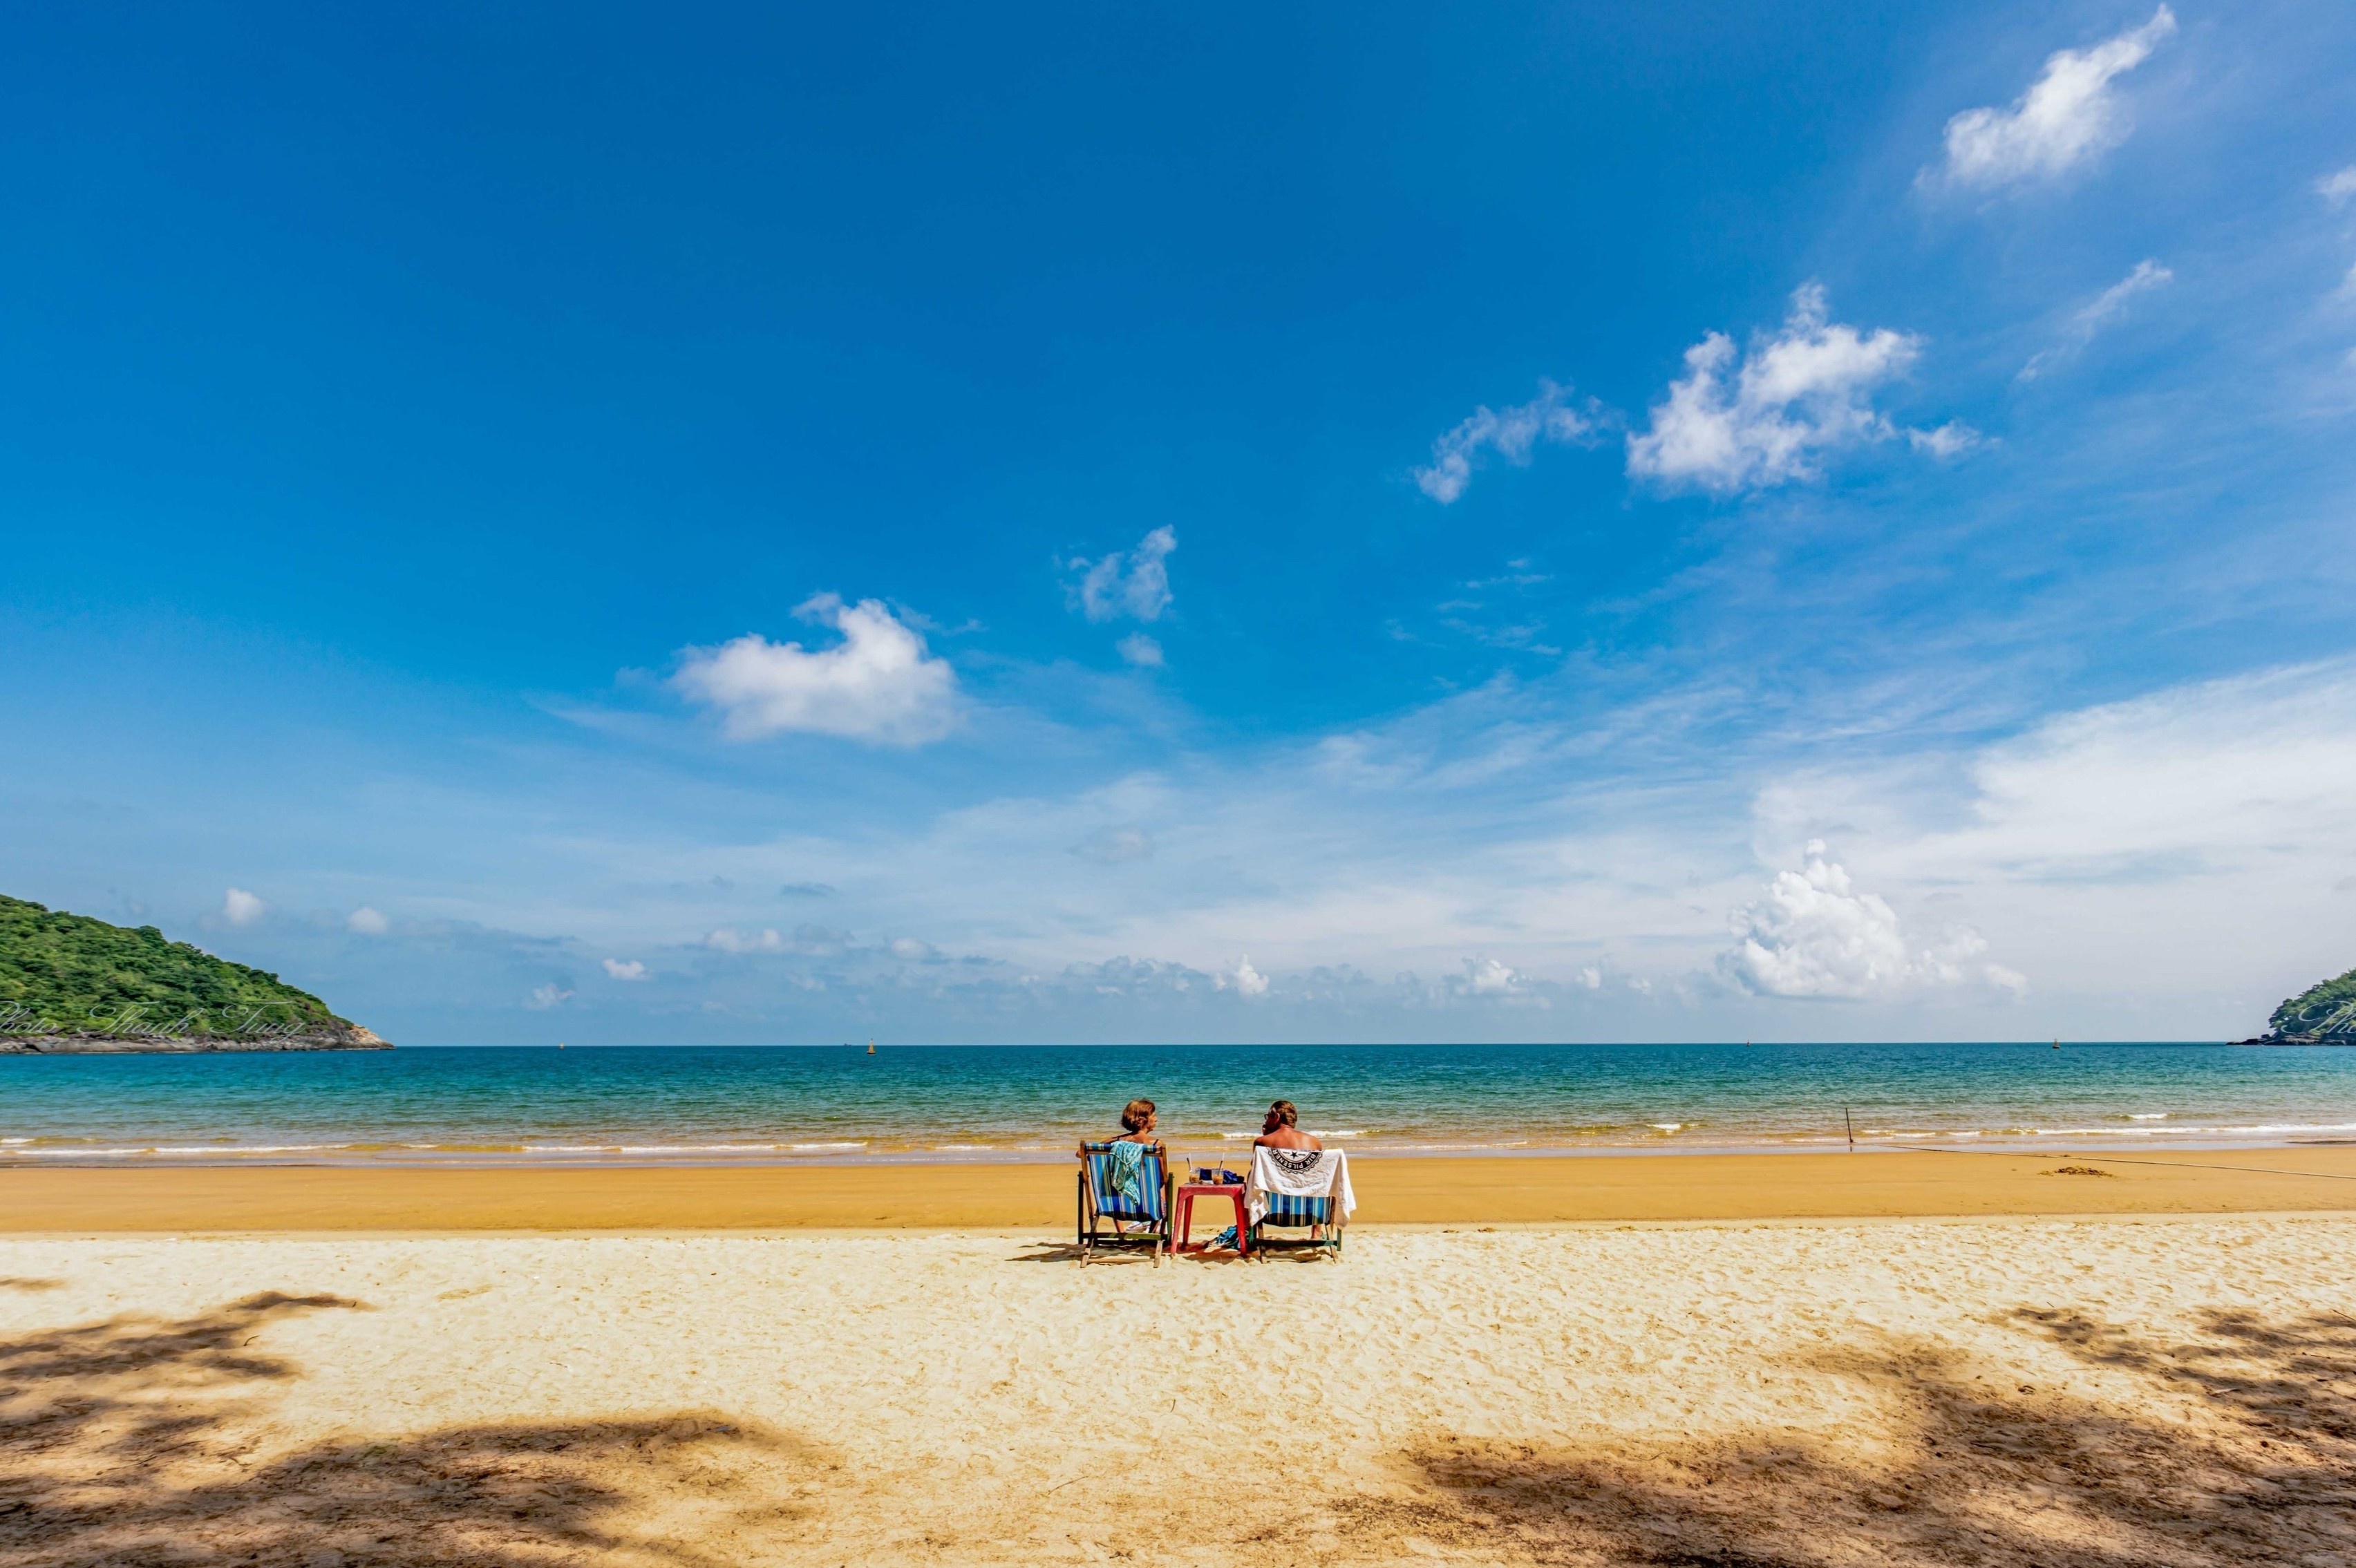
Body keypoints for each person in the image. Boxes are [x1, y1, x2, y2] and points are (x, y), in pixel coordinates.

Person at [1077, 1099, 1162, 1220]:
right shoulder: (1156, 1145)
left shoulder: (1114, 1142)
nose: (1156, 1118)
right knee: (1159, 1191)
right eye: (1154, 1115)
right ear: (1142, 1120)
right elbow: (1163, 1179)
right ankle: (1152, 1233)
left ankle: (1121, 1233)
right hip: (1148, 1205)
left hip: (1114, 1204)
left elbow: (1080, 1153)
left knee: (1114, 1189)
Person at [1253, 1099, 1320, 1152]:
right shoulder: (1315, 1142)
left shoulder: (1261, 1142)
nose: (1266, 1121)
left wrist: (1267, 1137)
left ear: (1277, 1117)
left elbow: (1257, 1168)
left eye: (1268, 1117)